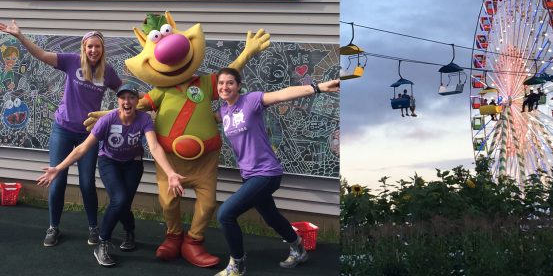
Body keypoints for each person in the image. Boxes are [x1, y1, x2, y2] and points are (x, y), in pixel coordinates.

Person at [0, 20, 122, 247]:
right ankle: (53, 227)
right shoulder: (71, 61)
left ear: (102, 49)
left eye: (97, 46)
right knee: (57, 180)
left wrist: (147, 101)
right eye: (89, 46)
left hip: (89, 135)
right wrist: (20, 36)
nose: (93, 50)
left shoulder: (108, 72)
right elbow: (42, 55)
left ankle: (93, 228)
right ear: (84, 48)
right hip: (63, 129)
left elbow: (124, 92)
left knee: (87, 183)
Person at [36, 84, 185, 267]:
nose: (127, 101)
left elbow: (154, 147)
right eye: (123, 98)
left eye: (131, 97)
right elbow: (83, 148)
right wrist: (58, 168)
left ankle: (129, 231)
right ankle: (102, 243)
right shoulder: (108, 120)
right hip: (109, 163)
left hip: (133, 164)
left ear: (137, 102)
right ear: (118, 101)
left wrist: (170, 173)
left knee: (124, 204)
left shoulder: (144, 119)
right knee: (119, 199)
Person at [214, 67, 339, 276]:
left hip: (267, 173)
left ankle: (238, 264)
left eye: (230, 83)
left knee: (225, 214)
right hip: (249, 175)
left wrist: (318, 88)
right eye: (221, 83)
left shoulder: (251, 101)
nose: (224, 87)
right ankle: (298, 248)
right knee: (270, 216)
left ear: (239, 85)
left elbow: (283, 94)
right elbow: (197, 119)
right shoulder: (222, 112)